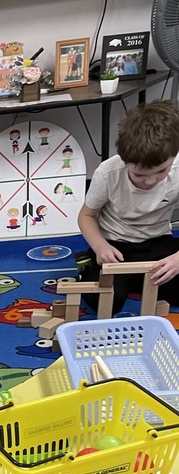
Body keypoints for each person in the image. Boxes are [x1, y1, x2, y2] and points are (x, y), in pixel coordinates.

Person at [77, 100, 179, 314]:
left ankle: (138, 278)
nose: (150, 181)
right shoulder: (108, 173)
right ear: (125, 162)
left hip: (158, 242)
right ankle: (95, 266)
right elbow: (86, 215)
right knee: (105, 301)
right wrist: (100, 247)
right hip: (116, 245)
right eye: (139, 175)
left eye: (161, 171)